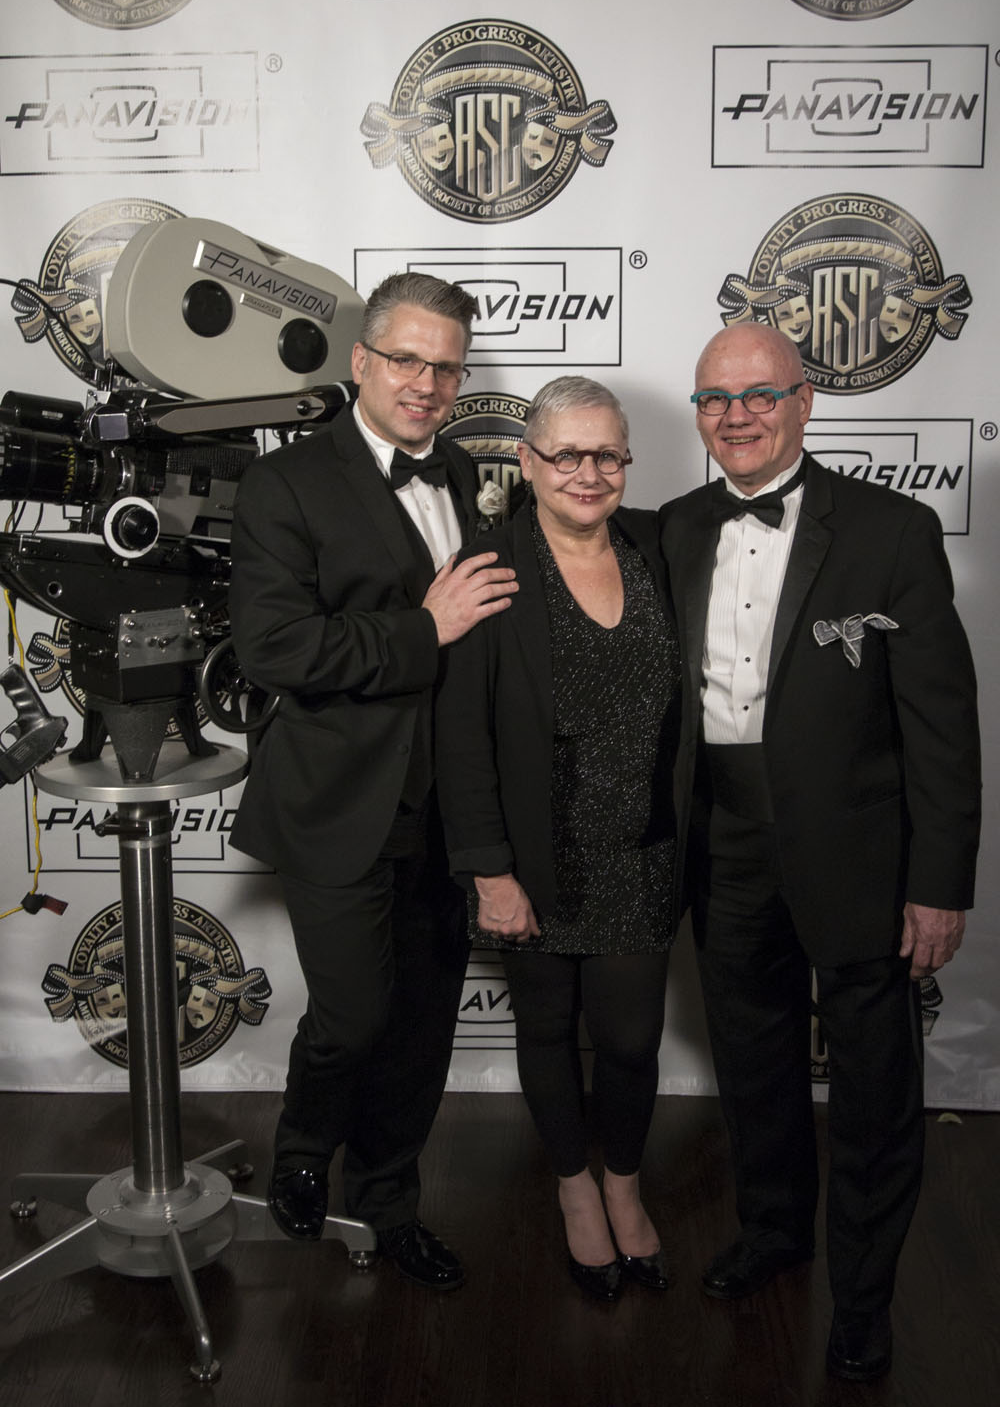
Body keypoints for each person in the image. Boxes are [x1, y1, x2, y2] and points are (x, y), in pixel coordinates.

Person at [659, 322, 980, 1380]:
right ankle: (774, 1233)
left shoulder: (893, 530)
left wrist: (937, 887)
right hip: (721, 838)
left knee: (877, 1087)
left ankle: (866, 1300)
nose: (735, 416)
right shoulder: (667, 529)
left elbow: (940, 725)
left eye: (757, 395)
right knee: (751, 1063)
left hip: (857, 854)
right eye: (713, 399)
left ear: (805, 402)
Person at [228, 272, 518, 1289]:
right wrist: (420, 630)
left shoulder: (472, 472)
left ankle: (389, 1202)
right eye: (408, 359)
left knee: (424, 1024)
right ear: (360, 360)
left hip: (451, 808)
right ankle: (304, 1149)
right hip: (338, 801)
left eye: (447, 366)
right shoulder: (286, 483)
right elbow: (273, 648)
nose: (428, 383)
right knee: (354, 1013)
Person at [436, 377, 685, 1301]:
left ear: (626, 461)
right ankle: (576, 1191)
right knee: (545, 1028)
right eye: (566, 454)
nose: (589, 472)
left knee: (629, 1039)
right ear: (529, 463)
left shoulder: (660, 548)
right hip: (538, 857)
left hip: (642, 851)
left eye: (607, 454)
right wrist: (491, 871)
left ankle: (624, 1182)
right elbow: (461, 740)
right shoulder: (488, 569)